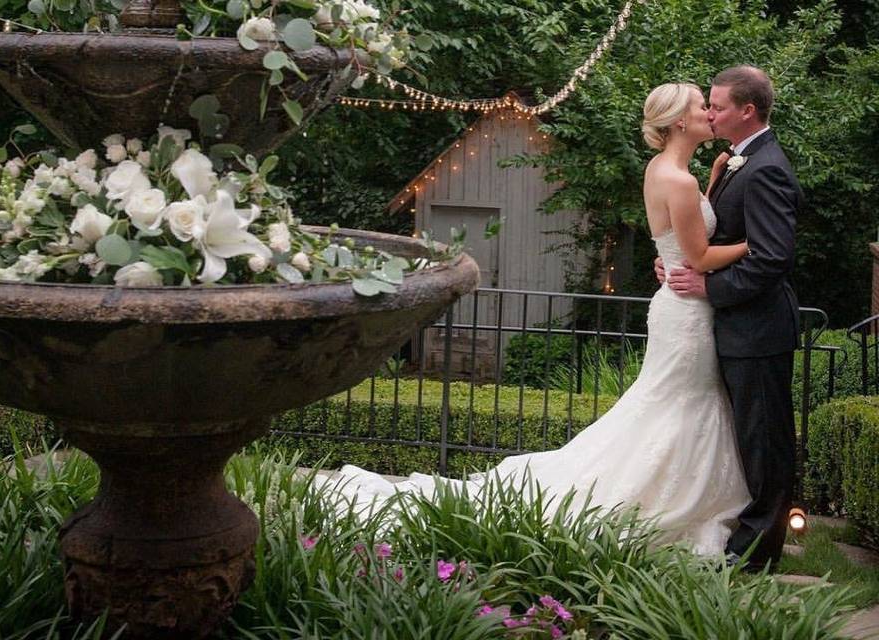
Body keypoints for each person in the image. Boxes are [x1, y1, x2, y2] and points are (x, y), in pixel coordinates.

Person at [319, 82, 753, 557]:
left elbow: (685, 235)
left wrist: (713, 181)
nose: (710, 112)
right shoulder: (681, 180)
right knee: (679, 406)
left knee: (667, 405)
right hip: (686, 311)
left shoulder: (667, 171)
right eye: (700, 105)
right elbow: (700, 253)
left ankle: (683, 492)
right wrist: (760, 246)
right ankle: (665, 498)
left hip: (677, 304)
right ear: (678, 121)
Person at [661, 65, 802, 570]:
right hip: (735, 327)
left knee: (765, 442)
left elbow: (771, 257)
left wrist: (708, 287)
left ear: (747, 111)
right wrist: (677, 260)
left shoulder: (765, 168)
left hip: (759, 329)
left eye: (717, 106)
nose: (709, 113)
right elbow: (714, 240)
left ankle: (756, 554)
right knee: (745, 435)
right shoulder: (739, 160)